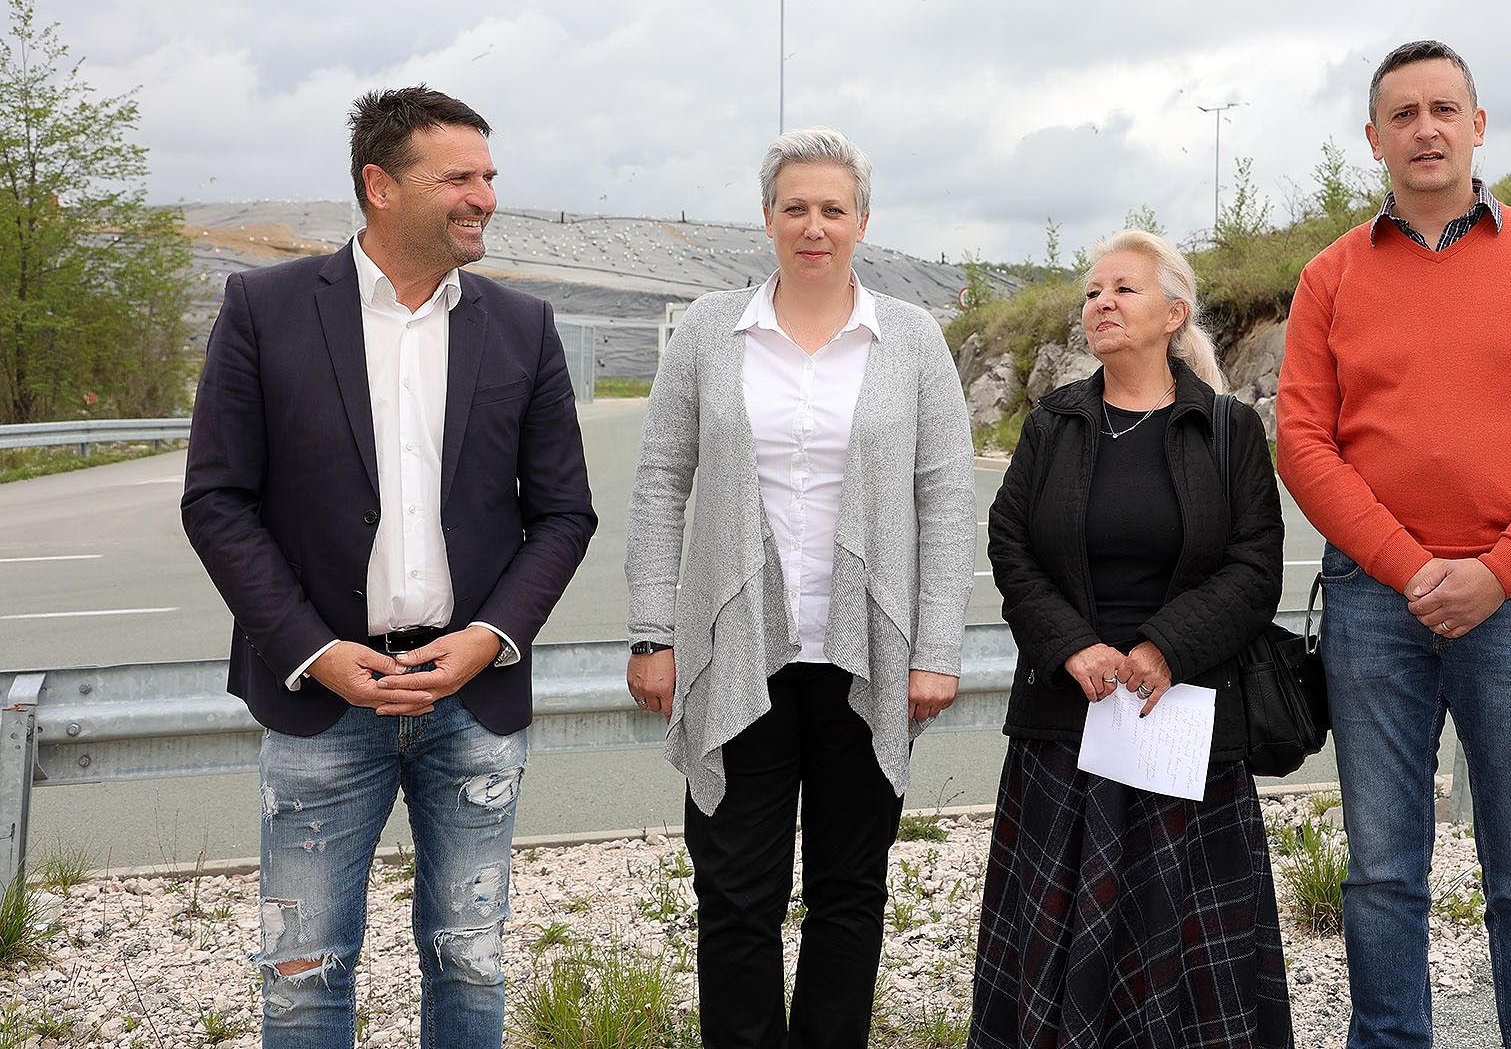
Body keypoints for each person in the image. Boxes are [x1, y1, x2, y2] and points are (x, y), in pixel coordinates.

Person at [181, 86, 597, 1047]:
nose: (484, 197)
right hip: (323, 698)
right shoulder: (265, 309)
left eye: (488, 176)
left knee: (472, 962)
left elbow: (564, 512)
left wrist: (490, 638)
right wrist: (311, 649)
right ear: (380, 184)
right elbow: (217, 501)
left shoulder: (523, 325)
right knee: (302, 971)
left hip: (472, 700)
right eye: (458, 178)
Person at [1276, 40, 1511, 1047]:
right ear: (1373, 138)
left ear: (1476, 126)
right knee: (1381, 873)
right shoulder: (1329, 276)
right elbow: (1303, 443)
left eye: (1442, 109)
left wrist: (1497, 571)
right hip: (1372, 601)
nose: (1423, 129)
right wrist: (1411, 567)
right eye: (1402, 113)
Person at [625, 127, 976, 1049]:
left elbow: (947, 499)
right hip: (737, 654)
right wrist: (653, 631)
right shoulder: (710, 330)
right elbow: (660, 482)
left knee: (849, 891)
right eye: (795, 208)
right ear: (767, 218)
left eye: (832, 208)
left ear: (862, 220)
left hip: (869, 656)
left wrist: (937, 649)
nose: (813, 226)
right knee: (735, 893)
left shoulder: (912, 337)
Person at [971, 229, 1292, 1049]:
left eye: (1123, 289)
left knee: (1182, 956)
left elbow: (1256, 568)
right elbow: (1009, 544)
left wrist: (1163, 647)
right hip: (1064, 725)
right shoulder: (1053, 423)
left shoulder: (1228, 429)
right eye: (1092, 292)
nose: (1101, 303)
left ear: (1173, 314)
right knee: (1058, 940)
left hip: (1181, 726)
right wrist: (1072, 645)